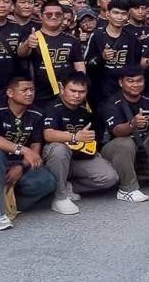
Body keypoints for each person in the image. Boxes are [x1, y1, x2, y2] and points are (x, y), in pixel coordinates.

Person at [0, 73, 60, 228]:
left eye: (32, 89)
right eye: (24, 90)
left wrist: (22, 166)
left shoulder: (37, 113)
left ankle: (8, 206)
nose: (29, 93)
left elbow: (35, 148)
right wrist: (22, 150)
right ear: (10, 92)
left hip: (18, 163)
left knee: (48, 182)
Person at [38, 72, 117, 215]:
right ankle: (60, 198)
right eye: (73, 90)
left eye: (81, 92)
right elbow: (48, 134)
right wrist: (74, 137)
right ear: (62, 89)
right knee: (59, 149)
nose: (77, 95)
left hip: (78, 157)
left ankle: (68, 187)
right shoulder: (52, 107)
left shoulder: (85, 111)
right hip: (54, 159)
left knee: (109, 177)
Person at [101, 67, 149, 202]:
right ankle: (127, 189)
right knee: (125, 143)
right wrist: (132, 124)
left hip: (142, 149)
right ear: (121, 82)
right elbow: (116, 131)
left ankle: (130, 173)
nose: (135, 84)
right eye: (130, 81)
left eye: (139, 81)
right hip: (114, 150)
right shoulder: (112, 103)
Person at [27, 0, 86, 105]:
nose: (54, 17)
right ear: (40, 16)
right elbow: (21, 53)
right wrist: (27, 44)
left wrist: (80, 87)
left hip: (67, 96)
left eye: (58, 14)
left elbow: (79, 67)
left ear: (63, 17)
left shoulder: (72, 40)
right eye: (49, 14)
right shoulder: (33, 37)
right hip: (39, 96)